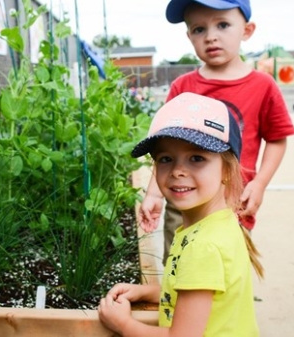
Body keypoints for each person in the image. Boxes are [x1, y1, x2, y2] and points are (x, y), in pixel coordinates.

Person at [139, 0, 294, 266]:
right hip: (183, 195)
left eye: (222, 25)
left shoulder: (262, 86)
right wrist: (154, 193)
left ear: (247, 30)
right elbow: (164, 149)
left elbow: (277, 139)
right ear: (189, 36)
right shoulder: (183, 87)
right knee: (179, 264)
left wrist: (259, 184)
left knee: (226, 267)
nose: (211, 36)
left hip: (234, 200)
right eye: (199, 29)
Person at [99, 92, 263, 336]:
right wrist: (147, 291)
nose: (177, 171)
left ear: (227, 170)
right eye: (166, 159)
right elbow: (202, 295)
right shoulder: (218, 224)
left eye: (196, 158)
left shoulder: (203, 247)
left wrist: (123, 324)